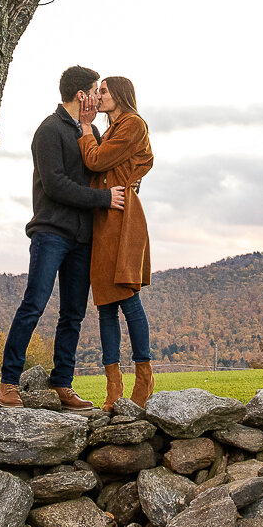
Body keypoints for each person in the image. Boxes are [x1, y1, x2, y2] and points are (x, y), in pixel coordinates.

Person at [0, 64, 128, 408]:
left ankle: (62, 384)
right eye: (96, 90)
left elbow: (100, 170)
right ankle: (8, 381)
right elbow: (55, 186)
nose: (100, 97)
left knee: (73, 313)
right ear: (81, 94)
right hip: (51, 232)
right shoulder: (49, 130)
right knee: (34, 305)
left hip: (84, 237)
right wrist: (103, 198)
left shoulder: (91, 134)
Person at [78, 75, 154, 409]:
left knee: (127, 295)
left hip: (121, 215)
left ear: (119, 94)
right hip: (104, 213)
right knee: (105, 303)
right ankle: (113, 385)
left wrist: (84, 129)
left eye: (104, 91)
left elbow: (95, 161)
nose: (98, 96)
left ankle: (144, 375)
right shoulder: (110, 129)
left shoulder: (132, 124)